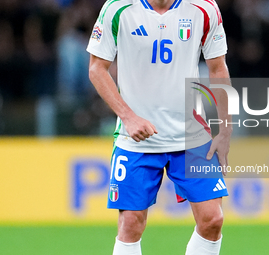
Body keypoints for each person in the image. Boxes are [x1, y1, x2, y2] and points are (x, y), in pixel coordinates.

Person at [87, 0, 232, 254]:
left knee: (212, 220)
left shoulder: (204, 8)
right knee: (131, 224)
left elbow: (218, 68)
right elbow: (97, 68)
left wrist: (225, 130)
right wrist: (128, 117)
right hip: (136, 140)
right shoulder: (118, 8)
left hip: (192, 135)